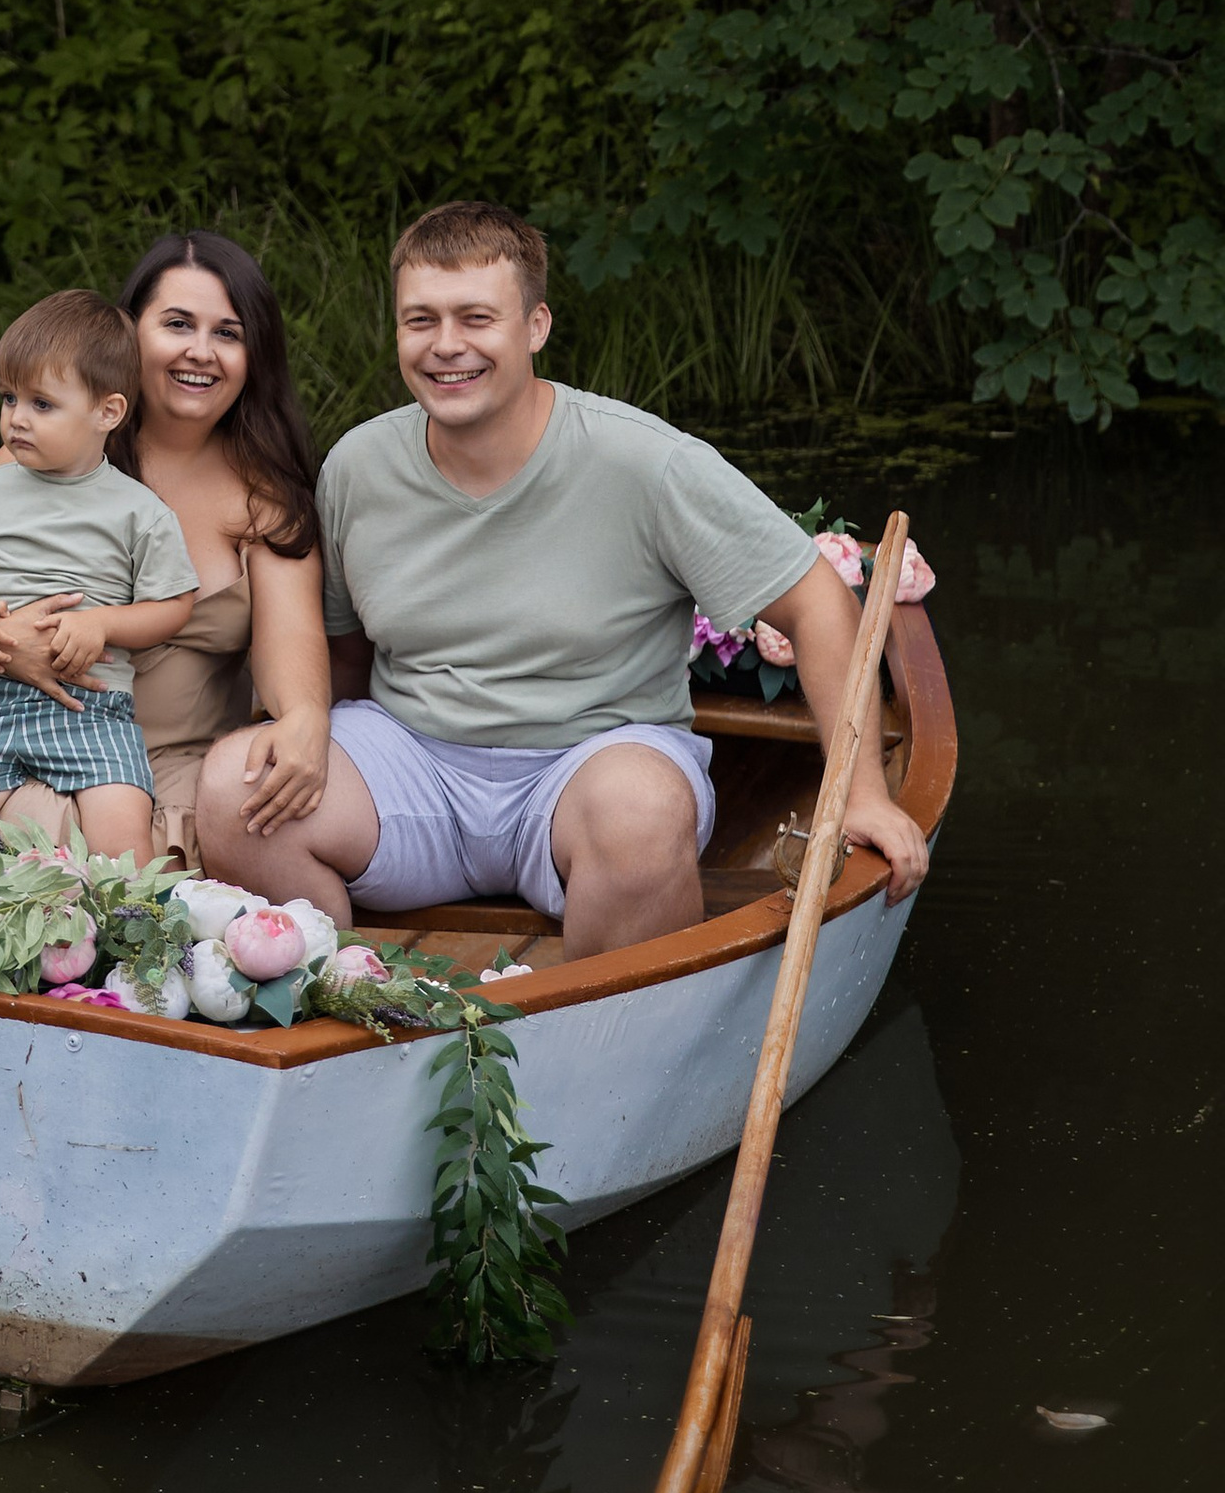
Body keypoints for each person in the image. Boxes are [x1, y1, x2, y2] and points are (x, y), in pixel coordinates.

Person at [194, 199, 932, 959]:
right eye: (420, 321)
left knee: (639, 812)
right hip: (415, 765)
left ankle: (594, 1032)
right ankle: (349, 997)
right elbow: (343, 655)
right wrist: (301, 738)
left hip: (590, 762)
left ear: (536, 326)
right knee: (230, 787)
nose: (447, 346)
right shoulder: (358, 467)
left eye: (476, 318)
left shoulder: (645, 464)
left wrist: (861, 793)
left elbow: (817, 603)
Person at [0, 229, 333, 860]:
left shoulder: (265, 497)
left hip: (176, 767)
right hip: (20, 739)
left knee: (262, 808)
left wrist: (304, 720)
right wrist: (7, 647)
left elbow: (291, 645)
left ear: (253, 353)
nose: (201, 352)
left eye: (228, 333)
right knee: (28, 838)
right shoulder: (43, 460)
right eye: (178, 324)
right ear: (130, 337)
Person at [0, 290, 197, 857]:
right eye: (10, 398)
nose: (16, 418)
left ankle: (124, 937)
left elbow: (173, 606)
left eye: (42, 404)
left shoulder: (139, 511)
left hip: (96, 712)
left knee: (125, 848)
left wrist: (103, 626)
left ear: (107, 412)